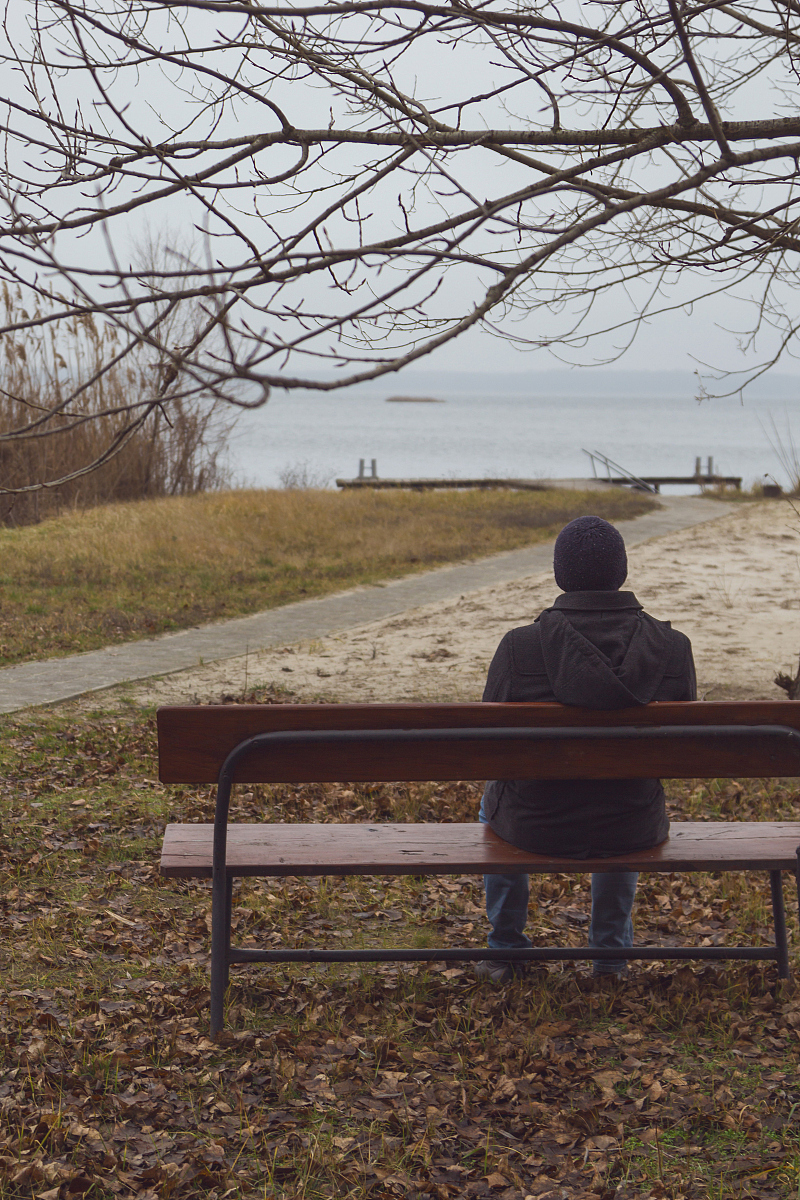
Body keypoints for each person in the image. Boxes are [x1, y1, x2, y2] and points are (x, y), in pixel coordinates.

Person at [475, 514, 696, 982]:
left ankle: (507, 949)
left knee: (494, 800)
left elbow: (488, 743)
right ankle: (611, 960)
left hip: (535, 825)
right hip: (631, 823)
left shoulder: (520, 647)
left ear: (560, 574)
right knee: (624, 793)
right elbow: (680, 750)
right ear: (621, 571)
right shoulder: (672, 647)